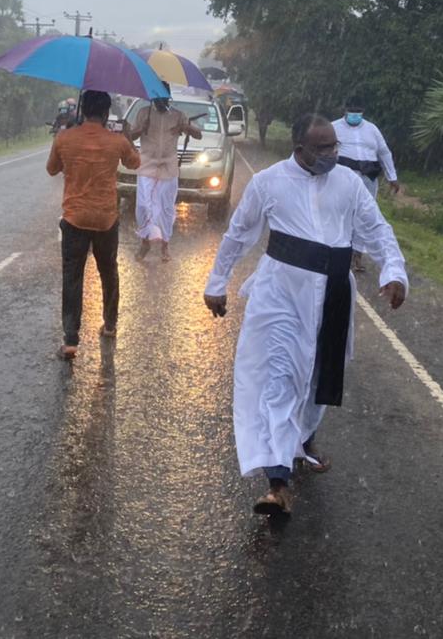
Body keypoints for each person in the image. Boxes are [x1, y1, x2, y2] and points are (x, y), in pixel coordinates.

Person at [204, 113, 407, 518]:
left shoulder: (348, 183)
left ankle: (303, 438)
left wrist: (394, 271)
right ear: (300, 149)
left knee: (319, 376)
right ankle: (278, 482)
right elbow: (239, 233)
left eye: (334, 146)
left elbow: (377, 229)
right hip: (281, 295)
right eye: (323, 147)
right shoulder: (269, 183)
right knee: (279, 378)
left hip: (334, 292)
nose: (332, 153)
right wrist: (217, 281)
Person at [46, 90, 141, 359]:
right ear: (106, 113)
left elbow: (52, 169)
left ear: (83, 110)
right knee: (108, 272)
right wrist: (127, 136)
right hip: (105, 219)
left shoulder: (65, 138)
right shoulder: (117, 141)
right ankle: (109, 325)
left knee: (72, 276)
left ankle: (71, 340)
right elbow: (135, 163)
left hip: (74, 218)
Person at [128, 84, 203, 261]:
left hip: (168, 168)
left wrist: (185, 127)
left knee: (166, 209)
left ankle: (165, 246)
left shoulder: (178, 115)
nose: (160, 102)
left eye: (163, 99)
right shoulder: (143, 113)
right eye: (157, 99)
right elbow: (130, 136)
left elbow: (198, 134)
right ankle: (145, 242)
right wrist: (141, 129)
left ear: (168, 98)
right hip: (147, 166)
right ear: (153, 98)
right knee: (143, 207)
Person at [332, 95, 399, 273]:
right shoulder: (334, 128)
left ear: (363, 112)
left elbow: (384, 152)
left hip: (368, 177)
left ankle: (358, 255)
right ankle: (339, 249)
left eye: (358, 111)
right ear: (345, 111)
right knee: (342, 212)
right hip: (344, 177)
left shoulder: (372, 130)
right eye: (351, 111)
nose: (355, 114)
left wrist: (392, 177)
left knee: (365, 214)